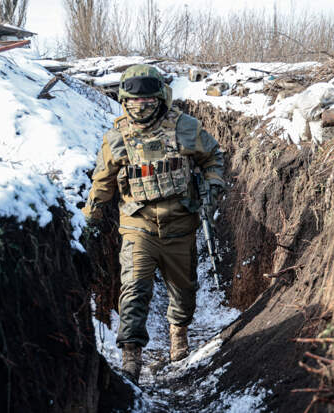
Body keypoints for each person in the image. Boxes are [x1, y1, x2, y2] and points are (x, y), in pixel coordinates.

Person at [81, 64, 225, 384]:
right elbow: (101, 184)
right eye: (134, 104)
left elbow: (213, 156)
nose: (141, 109)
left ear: (161, 99)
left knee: (183, 289)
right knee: (134, 288)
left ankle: (178, 333)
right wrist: (88, 220)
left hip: (179, 224)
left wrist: (213, 187)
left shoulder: (185, 128)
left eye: (148, 103)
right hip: (137, 225)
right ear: (123, 102)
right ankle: (131, 355)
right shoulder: (116, 137)